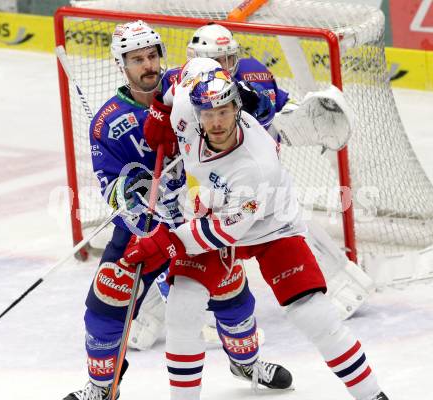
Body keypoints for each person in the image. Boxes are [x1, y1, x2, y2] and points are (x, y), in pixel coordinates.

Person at [122, 66, 390, 400]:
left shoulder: (257, 166)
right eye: (208, 114)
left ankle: (372, 394)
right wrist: (161, 112)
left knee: (313, 315)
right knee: (182, 309)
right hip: (215, 209)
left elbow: (224, 232)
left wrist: (166, 242)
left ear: (237, 109)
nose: (216, 123)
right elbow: (183, 76)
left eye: (223, 112)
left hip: (270, 225)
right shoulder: (186, 109)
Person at [63, 21, 291, 400]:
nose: (148, 65)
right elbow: (111, 188)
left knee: (231, 290)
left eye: (152, 55)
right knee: (107, 298)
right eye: (137, 59)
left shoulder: (187, 85)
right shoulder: (107, 121)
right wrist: (135, 201)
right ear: (121, 64)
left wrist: (247, 100)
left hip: (197, 218)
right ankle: (103, 387)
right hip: (145, 230)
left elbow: (254, 110)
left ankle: (246, 362)